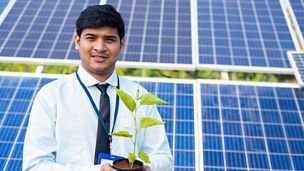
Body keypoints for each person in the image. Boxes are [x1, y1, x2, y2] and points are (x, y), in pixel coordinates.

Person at [23, 4, 173, 171]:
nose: (100, 48)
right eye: (91, 38)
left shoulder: (139, 96)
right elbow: (35, 166)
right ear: (77, 42)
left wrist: (146, 167)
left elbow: (164, 159)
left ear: (121, 44)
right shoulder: (52, 96)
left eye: (109, 39)